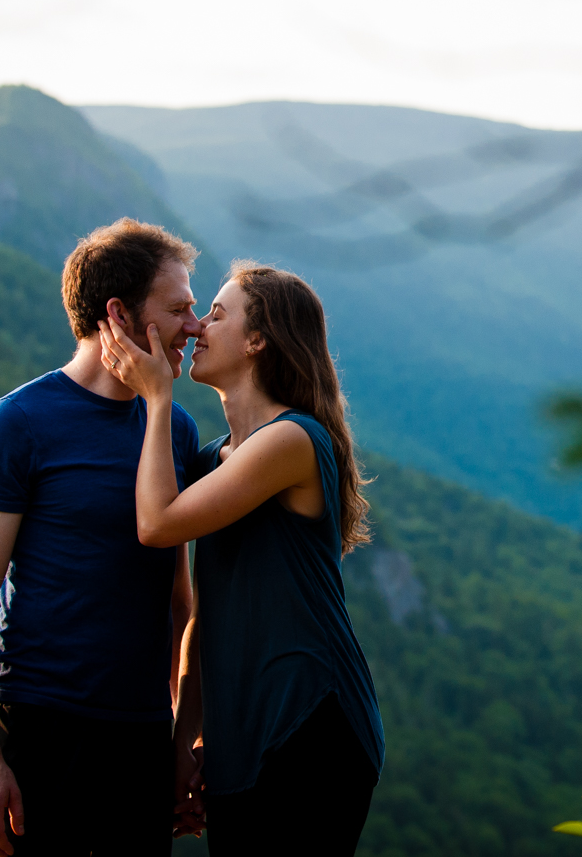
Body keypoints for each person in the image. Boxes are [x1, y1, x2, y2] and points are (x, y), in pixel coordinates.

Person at [99, 260, 384, 857]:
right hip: (241, 735)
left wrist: (157, 396)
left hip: (309, 718)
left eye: (217, 315)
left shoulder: (291, 440)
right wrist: (185, 745)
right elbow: (206, 618)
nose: (198, 326)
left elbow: (157, 523)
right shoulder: (213, 461)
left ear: (258, 340)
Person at [0, 218, 205, 857]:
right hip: (36, 734)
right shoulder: (18, 423)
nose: (194, 327)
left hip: (139, 743)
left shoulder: (175, 429)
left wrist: (179, 742)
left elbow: (178, 600)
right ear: (118, 314)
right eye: (178, 309)